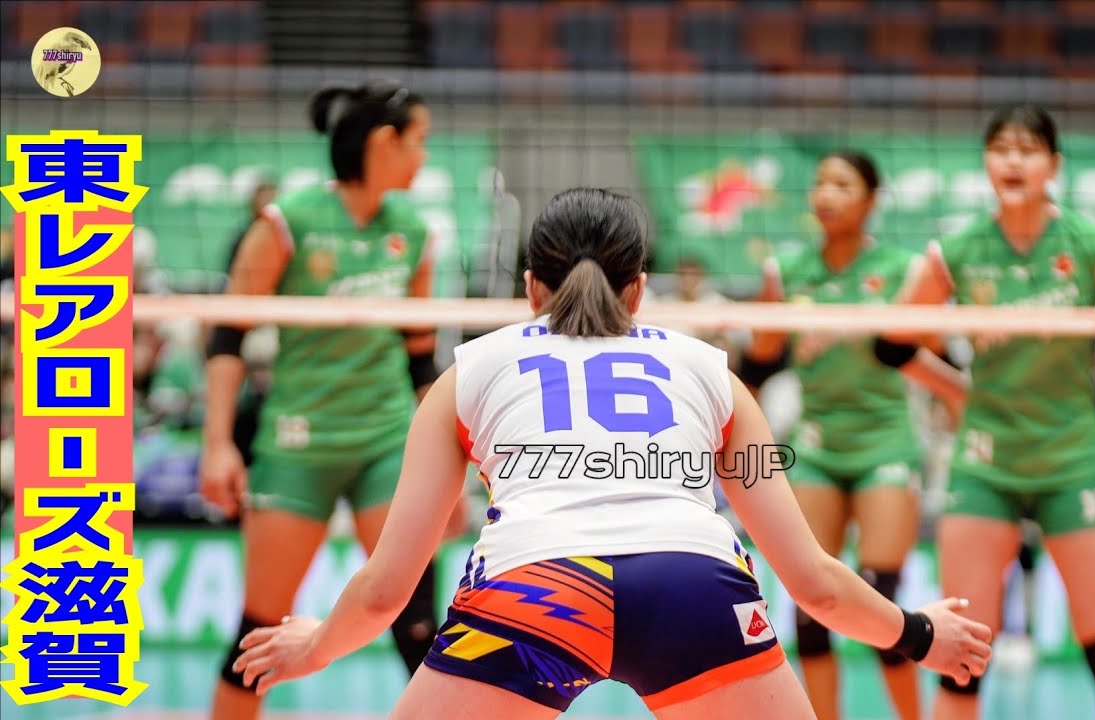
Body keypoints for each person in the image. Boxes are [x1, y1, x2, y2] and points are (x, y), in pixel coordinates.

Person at [229, 187, 993, 720]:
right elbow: (816, 583)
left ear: (530, 287)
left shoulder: (469, 374)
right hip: (693, 588)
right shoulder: (712, 374)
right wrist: (918, 634)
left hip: (533, 593)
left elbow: (385, 590)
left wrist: (316, 646)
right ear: (640, 290)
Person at [873, 105, 1095, 720]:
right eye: (1001, 148)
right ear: (986, 161)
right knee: (962, 660)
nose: (1013, 160)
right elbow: (890, 342)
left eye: (1029, 149)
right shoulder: (958, 250)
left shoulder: (1091, 244)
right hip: (986, 464)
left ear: (1054, 165)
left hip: (1073, 459)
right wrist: (957, 391)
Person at [200, 81, 465, 720]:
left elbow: (421, 359)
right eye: (419, 141)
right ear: (384, 143)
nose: (424, 157)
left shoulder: (413, 233)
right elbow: (228, 335)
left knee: (419, 624)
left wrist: (454, 465)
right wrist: (215, 444)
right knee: (259, 626)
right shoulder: (286, 223)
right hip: (298, 443)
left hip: (385, 441)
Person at [746, 151, 965, 720]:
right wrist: (770, 327)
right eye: (819, 182)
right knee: (809, 611)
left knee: (883, 599)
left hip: (886, 442)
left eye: (842, 184)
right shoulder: (787, 270)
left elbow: (933, 352)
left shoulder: (904, 269)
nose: (825, 194)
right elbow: (760, 357)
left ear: (870, 201)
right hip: (816, 445)